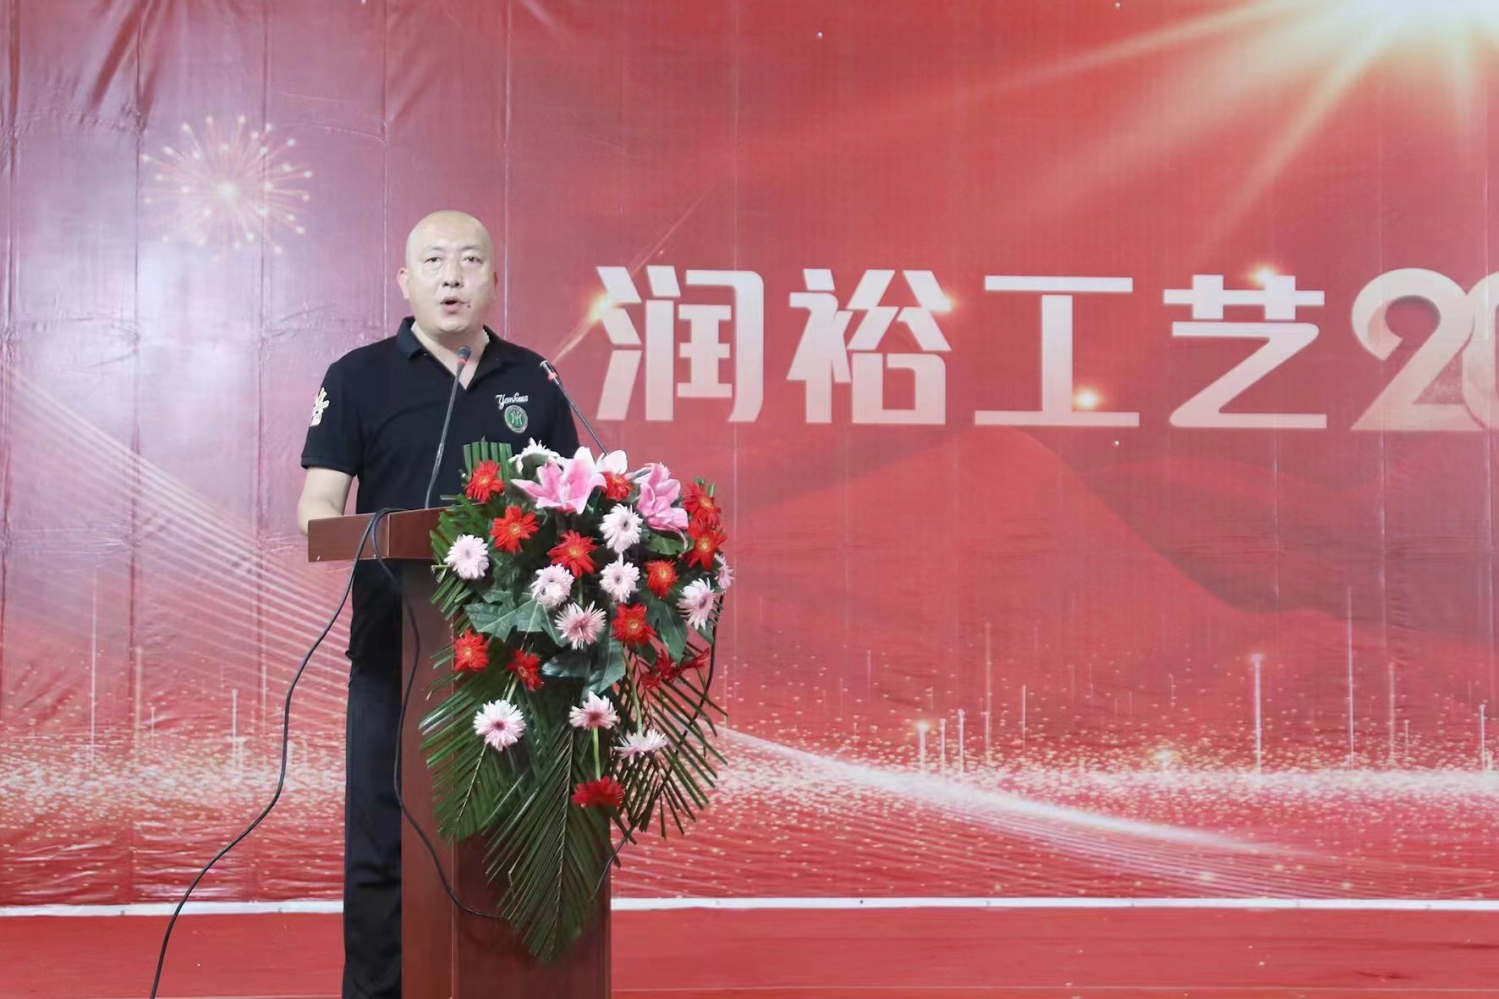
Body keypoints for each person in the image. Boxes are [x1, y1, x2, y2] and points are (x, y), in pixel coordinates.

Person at [297, 210, 580, 998]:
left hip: (515, 660)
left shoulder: (535, 379)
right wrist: (380, 535)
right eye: (433, 260)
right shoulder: (357, 376)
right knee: (381, 841)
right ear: (405, 281)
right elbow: (317, 506)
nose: (451, 275)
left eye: (469, 260)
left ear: (493, 279)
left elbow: (572, 504)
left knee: (505, 835)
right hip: (396, 650)